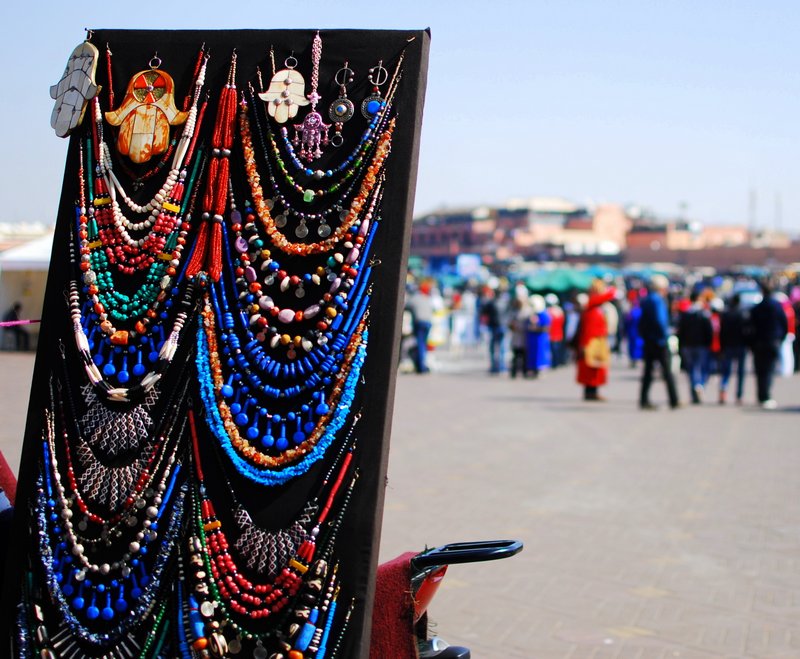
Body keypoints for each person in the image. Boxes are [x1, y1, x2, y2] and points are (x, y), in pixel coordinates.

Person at [638, 274, 680, 409]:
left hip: (649, 339)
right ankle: (673, 400)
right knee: (667, 372)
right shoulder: (657, 300)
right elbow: (660, 321)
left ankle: (644, 399)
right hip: (658, 341)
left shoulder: (647, 299)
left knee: (648, 371)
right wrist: (665, 336)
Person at [749, 280, 788, 408]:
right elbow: (784, 324)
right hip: (772, 341)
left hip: (759, 342)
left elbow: (750, 327)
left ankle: (761, 395)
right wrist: (780, 339)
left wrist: (751, 343)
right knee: (769, 369)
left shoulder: (757, 308)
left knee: (760, 370)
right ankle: (766, 395)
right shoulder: (777, 307)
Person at [575, 279, 616, 401]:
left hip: (596, 340)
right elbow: (610, 294)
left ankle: (592, 391)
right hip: (592, 342)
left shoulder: (593, 307)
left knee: (595, 368)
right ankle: (590, 392)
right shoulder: (592, 305)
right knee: (591, 367)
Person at [677, 291, 713, 404]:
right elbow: (709, 331)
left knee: (692, 369)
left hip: (687, 345)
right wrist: (708, 343)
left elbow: (680, 331)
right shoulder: (704, 314)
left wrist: (681, 345)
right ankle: (699, 385)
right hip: (701, 345)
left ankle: (695, 389)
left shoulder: (686, 313)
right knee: (701, 368)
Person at [718, 293, 749, 405]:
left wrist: (721, 346)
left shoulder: (726, 315)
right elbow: (747, 332)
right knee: (740, 372)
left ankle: (723, 392)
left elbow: (722, 333)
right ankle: (739, 395)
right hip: (740, 346)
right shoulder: (743, 314)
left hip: (728, 346)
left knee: (726, 371)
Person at [406, 281, 434, 374]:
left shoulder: (415, 298)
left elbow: (406, 306)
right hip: (428, 322)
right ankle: (421, 364)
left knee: (420, 344)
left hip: (420, 322)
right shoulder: (427, 298)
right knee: (423, 344)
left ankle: (421, 366)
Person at [480, 286, 508, 374]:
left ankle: (495, 366)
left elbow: (483, 312)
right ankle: (501, 366)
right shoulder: (504, 302)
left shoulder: (491, 303)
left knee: (494, 347)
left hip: (495, 327)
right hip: (501, 326)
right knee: (502, 348)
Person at [508, 296, 531, 378]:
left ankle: (525, 372)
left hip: (524, 337)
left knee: (524, 356)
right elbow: (510, 324)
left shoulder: (527, 312)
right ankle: (514, 372)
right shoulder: (513, 312)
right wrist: (513, 326)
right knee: (515, 356)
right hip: (516, 337)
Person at [545, 294, 566, 368]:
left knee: (554, 350)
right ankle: (556, 363)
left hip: (554, 334)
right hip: (555, 334)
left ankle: (555, 363)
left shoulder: (549, 311)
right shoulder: (559, 311)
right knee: (555, 350)